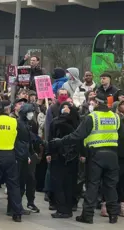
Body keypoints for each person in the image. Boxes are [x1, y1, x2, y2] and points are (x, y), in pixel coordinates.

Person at [50, 92, 122, 224]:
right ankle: (113, 215)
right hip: (112, 156)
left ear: (97, 103)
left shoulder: (92, 117)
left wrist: (61, 141)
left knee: (92, 185)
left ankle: (87, 216)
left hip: (96, 155)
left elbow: (77, 135)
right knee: (110, 186)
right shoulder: (116, 117)